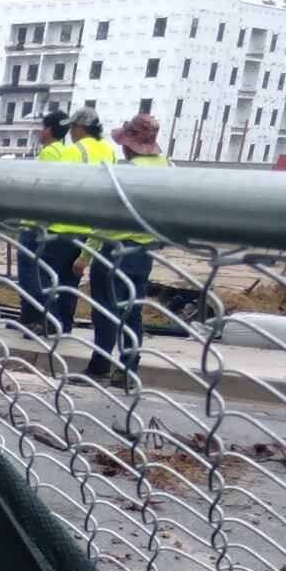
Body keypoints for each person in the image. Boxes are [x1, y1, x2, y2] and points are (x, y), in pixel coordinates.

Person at [85, 111, 171, 381]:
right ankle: (128, 369)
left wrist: (86, 253)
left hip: (115, 250)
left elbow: (105, 220)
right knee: (132, 311)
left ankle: (99, 366)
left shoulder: (128, 173)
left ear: (128, 145)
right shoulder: (168, 168)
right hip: (144, 254)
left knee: (105, 310)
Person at [16, 109, 82, 337]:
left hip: (35, 225)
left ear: (50, 130)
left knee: (31, 273)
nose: (40, 132)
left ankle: (34, 316)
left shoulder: (51, 153)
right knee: (54, 277)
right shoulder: (61, 151)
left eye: (42, 127)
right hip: (47, 225)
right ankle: (40, 317)